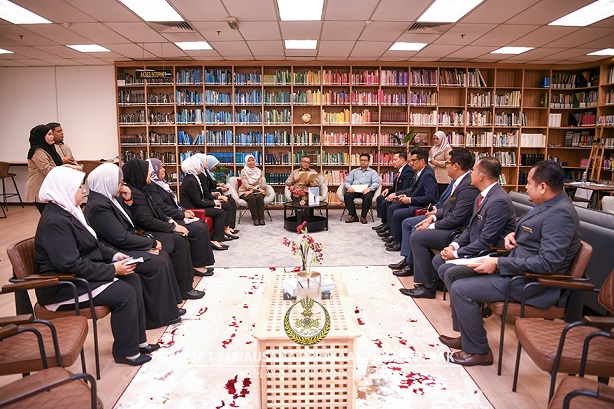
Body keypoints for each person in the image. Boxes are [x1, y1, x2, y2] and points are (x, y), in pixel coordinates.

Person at [439, 161, 581, 367]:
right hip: (516, 270)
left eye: (529, 183)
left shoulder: (560, 214)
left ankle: (479, 351)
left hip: (532, 283)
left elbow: (548, 263)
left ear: (543, 187)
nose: (526, 187)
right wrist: (514, 235)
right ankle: (468, 336)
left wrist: (498, 263)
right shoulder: (548, 205)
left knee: (461, 289)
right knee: (453, 273)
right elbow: (534, 236)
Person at [34, 166, 157, 366]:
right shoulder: (54, 222)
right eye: (79, 187)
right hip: (63, 287)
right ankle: (126, 352)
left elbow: (93, 244)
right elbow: (70, 264)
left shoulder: (70, 211)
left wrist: (115, 256)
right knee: (124, 292)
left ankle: (138, 342)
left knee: (134, 280)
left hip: (79, 276)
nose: (84, 190)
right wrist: (112, 270)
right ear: (65, 188)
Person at [84, 163, 183, 329]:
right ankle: (156, 317)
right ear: (108, 182)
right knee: (155, 263)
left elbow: (130, 221)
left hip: (122, 244)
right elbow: (120, 237)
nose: (122, 186)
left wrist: (128, 201)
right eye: (119, 183)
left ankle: (167, 308)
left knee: (162, 256)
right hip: (114, 250)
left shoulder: (109, 198)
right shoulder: (99, 207)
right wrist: (151, 243)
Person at [395, 149, 479, 296]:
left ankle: (427, 286)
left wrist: (431, 225)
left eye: (447, 163)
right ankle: (433, 277)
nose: (445, 166)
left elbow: (457, 218)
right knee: (417, 228)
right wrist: (432, 218)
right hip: (449, 224)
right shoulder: (459, 182)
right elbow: (447, 208)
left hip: (457, 231)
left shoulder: (468, 186)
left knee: (418, 236)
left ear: (456, 166)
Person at [121, 158, 205, 300]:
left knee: (181, 238)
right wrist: (172, 228)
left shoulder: (141, 189)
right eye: (146, 171)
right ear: (139, 173)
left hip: (153, 227)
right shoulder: (134, 192)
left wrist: (170, 221)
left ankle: (185, 284)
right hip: (144, 232)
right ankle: (183, 289)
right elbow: (146, 220)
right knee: (178, 241)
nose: (149, 173)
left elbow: (157, 211)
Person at [433, 157, 516, 283]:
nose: (470, 174)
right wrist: (454, 245)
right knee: (438, 260)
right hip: (475, 246)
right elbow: (471, 227)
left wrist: (456, 254)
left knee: (446, 268)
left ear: (481, 176)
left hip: (488, 253)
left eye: (473, 171)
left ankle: (461, 291)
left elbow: (487, 240)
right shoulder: (481, 195)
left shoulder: (499, 201)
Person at [145, 158, 216, 274]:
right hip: (166, 218)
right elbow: (161, 207)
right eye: (161, 167)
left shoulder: (162, 183)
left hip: (174, 215)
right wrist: (182, 214)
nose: (164, 169)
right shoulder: (151, 186)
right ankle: (196, 265)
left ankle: (201, 262)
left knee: (201, 224)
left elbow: (175, 204)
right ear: (153, 170)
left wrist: (184, 210)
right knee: (198, 228)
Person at [380, 148, 439, 251]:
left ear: (422, 161)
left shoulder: (427, 174)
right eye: (410, 160)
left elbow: (430, 197)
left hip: (423, 206)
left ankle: (398, 242)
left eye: (413, 160)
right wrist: (404, 196)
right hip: (415, 201)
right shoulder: (421, 172)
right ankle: (395, 237)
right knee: (393, 208)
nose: (411, 163)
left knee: (397, 213)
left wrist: (410, 200)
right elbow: (415, 190)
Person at [26, 124, 80, 213]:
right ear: (41, 136)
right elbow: (48, 170)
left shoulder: (49, 149)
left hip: (49, 188)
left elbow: (55, 163)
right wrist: (68, 167)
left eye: (52, 134)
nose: (52, 137)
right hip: (40, 188)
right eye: (49, 134)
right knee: (49, 216)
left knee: (53, 216)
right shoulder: (37, 151)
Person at [179, 155, 229, 250]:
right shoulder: (191, 181)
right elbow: (198, 202)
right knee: (220, 212)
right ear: (194, 167)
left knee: (220, 209)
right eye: (199, 165)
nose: (201, 167)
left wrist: (214, 201)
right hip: (193, 208)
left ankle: (218, 238)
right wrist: (213, 203)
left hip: (197, 205)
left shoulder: (193, 178)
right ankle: (216, 240)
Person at [197, 153, 239, 237]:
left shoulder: (207, 173)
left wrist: (218, 186)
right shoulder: (202, 176)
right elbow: (207, 192)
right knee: (227, 204)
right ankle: (225, 229)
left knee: (231, 201)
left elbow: (209, 188)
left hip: (210, 196)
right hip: (207, 199)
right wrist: (219, 193)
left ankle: (230, 227)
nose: (215, 168)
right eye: (214, 166)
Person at [373, 151, 414, 230]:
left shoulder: (408, 171)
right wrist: (388, 190)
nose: (393, 162)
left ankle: (389, 227)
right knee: (380, 198)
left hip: (403, 195)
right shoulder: (400, 170)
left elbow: (405, 188)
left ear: (402, 160)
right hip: (397, 193)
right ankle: (384, 223)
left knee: (386, 201)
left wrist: (395, 194)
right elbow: (396, 186)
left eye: (395, 160)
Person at [343, 153, 381, 224]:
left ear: (368, 161)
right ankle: (354, 216)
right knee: (347, 195)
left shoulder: (373, 172)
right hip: (355, 190)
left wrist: (369, 189)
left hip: (366, 190)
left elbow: (376, 183)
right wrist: (349, 187)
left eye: (365, 160)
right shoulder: (354, 171)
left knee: (368, 196)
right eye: (361, 160)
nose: (363, 162)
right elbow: (347, 182)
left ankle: (363, 217)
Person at [237, 154, 267, 226]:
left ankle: (261, 218)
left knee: (259, 197)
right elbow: (245, 184)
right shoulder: (243, 171)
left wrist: (253, 190)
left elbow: (260, 183)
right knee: (251, 197)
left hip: (256, 190)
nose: (251, 162)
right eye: (249, 161)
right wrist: (252, 190)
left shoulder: (259, 171)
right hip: (244, 191)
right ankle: (255, 219)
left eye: (252, 160)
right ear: (246, 162)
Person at [429, 131, 452, 195]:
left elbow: (449, 162)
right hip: (433, 176)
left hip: (443, 178)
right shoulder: (433, 149)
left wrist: (438, 163)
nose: (435, 141)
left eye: (437, 139)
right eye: (434, 139)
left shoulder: (447, 149)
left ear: (442, 138)